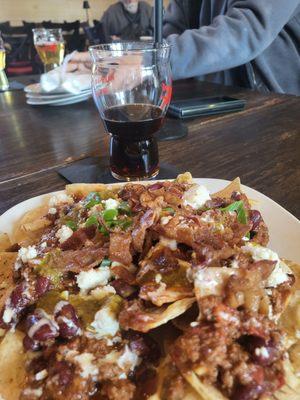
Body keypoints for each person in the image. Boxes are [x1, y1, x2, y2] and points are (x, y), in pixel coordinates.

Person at [163, 0, 300, 95]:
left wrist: (155, 60)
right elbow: (172, 29)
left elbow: (244, 31)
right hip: (210, 99)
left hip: (276, 107)